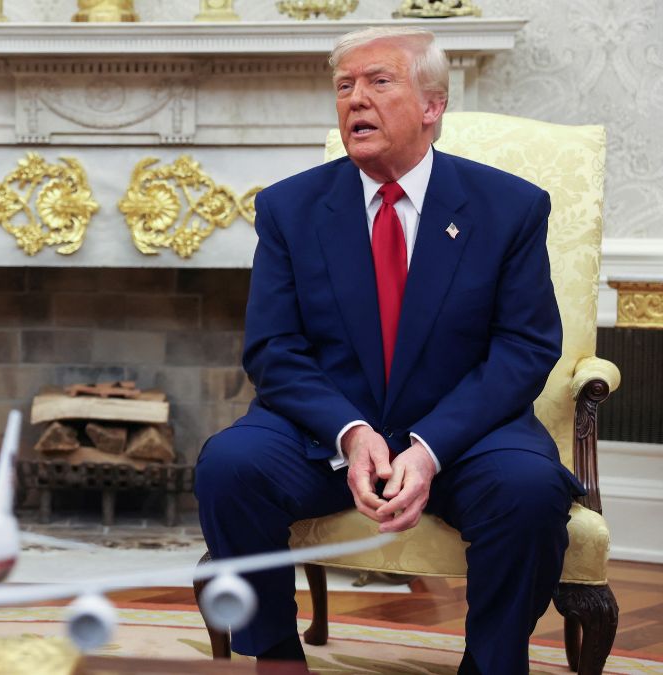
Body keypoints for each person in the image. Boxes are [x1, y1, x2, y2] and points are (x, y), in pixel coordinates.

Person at [194, 26, 581, 675]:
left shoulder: (508, 208)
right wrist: (349, 433)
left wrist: (428, 446)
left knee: (530, 488)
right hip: (325, 430)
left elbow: (524, 345)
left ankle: (491, 661)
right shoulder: (291, 208)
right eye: (344, 86)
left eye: (378, 81)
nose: (355, 100)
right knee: (229, 465)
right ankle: (279, 655)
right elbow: (273, 348)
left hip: (464, 433)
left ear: (432, 106)